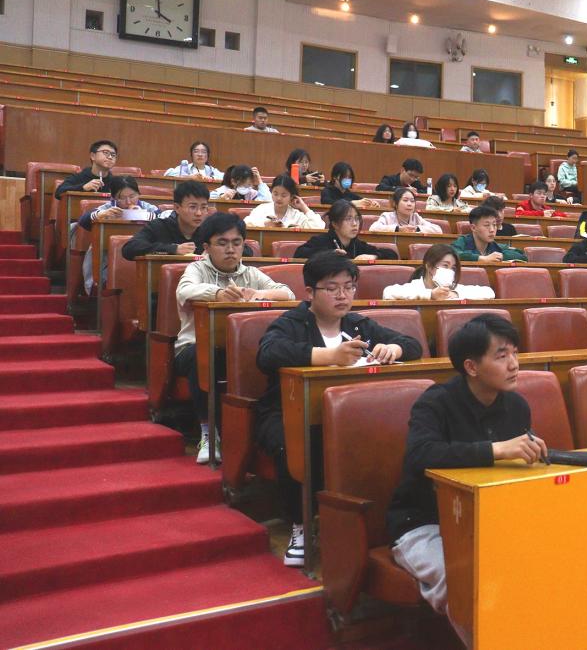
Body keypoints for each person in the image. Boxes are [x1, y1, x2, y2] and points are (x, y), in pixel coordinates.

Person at [257, 252, 423, 566]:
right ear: (310, 292)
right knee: (297, 443)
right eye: (332, 288)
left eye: (349, 287)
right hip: (288, 412)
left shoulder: (358, 324)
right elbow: (268, 354)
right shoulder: (291, 323)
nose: (342, 295)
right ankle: (301, 524)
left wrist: (394, 348)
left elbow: (412, 344)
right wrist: (328, 356)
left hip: (349, 415)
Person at [386, 315, 546, 636]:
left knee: (541, 565)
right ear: (471, 367)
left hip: (487, 520)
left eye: (515, 353)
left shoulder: (517, 406)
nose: (514, 364)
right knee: (464, 581)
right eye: (501, 356)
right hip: (424, 523)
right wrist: (495, 450)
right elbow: (421, 455)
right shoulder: (435, 403)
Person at [174, 213, 293, 463]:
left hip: (238, 349)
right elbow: (185, 291)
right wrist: (217, 293)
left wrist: (259, 294)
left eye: (236, 243)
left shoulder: (250, 273)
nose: (230, 249)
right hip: (191, 347)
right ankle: (208, 432)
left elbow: (287, 293)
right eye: (222, 243)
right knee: (203, 356)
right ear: (206, 247)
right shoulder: (196, 268)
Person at [76, 176, 160, 293]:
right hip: (110, 256)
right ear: (114, 198)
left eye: (132, 196)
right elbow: (83, 220)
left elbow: (164, 219)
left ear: (138, 194)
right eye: (122, 198)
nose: (128, 202)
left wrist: (144, 215)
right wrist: (100, 215)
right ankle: (96, 287)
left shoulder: (147, 207)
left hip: (142, 251)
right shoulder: (109, 207)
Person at [122, 181, 212, 260]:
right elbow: (129, 249)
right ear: (177, 208)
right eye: (192, 207)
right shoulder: (159, 226)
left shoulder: (209, 231)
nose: (199, 213)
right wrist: (173, 249)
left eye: (203, 207)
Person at [294, 200, 398, 262]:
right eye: (348, 219)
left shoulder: (357, 244)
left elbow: (392, 255)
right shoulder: (321, 240)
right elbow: (299, 254)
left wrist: (374, 256)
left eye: (357, 219)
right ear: (335, 223)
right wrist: (330, 254)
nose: (355, 223)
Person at [382, 244, 495, 300]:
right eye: (445, 265)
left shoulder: (453, 288)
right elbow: (388, 292)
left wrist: (455, 294)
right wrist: (430, 295)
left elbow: (489, 292)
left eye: (453, 268)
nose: (450, 271)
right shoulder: (414, 287)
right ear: (429, 266)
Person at [243, 175, 325, 230]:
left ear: (291, 196)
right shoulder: (262, 208)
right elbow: (246, 224)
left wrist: (304, 207)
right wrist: (264, 224)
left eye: (284, 195)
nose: (279, 198)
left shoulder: (296, 214)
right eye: (275, 194)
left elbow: (319, 226)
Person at [451, 205, 527, 263]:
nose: (492, 230)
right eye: (487, 225)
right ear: (473, 228)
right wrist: (482, 258)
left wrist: (501, 256)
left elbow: (522, 256)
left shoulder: (495, 246)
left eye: (494, 225)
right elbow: (452, 253)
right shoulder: (463, 241)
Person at [369, 187, 442, 234]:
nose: (409, 204)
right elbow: (373, 228)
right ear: (395, 203)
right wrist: (398, 229)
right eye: (405, 200)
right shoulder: (387, 216)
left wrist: (417, 228)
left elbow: (438, 230)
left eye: (412, 201)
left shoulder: (416, 217)